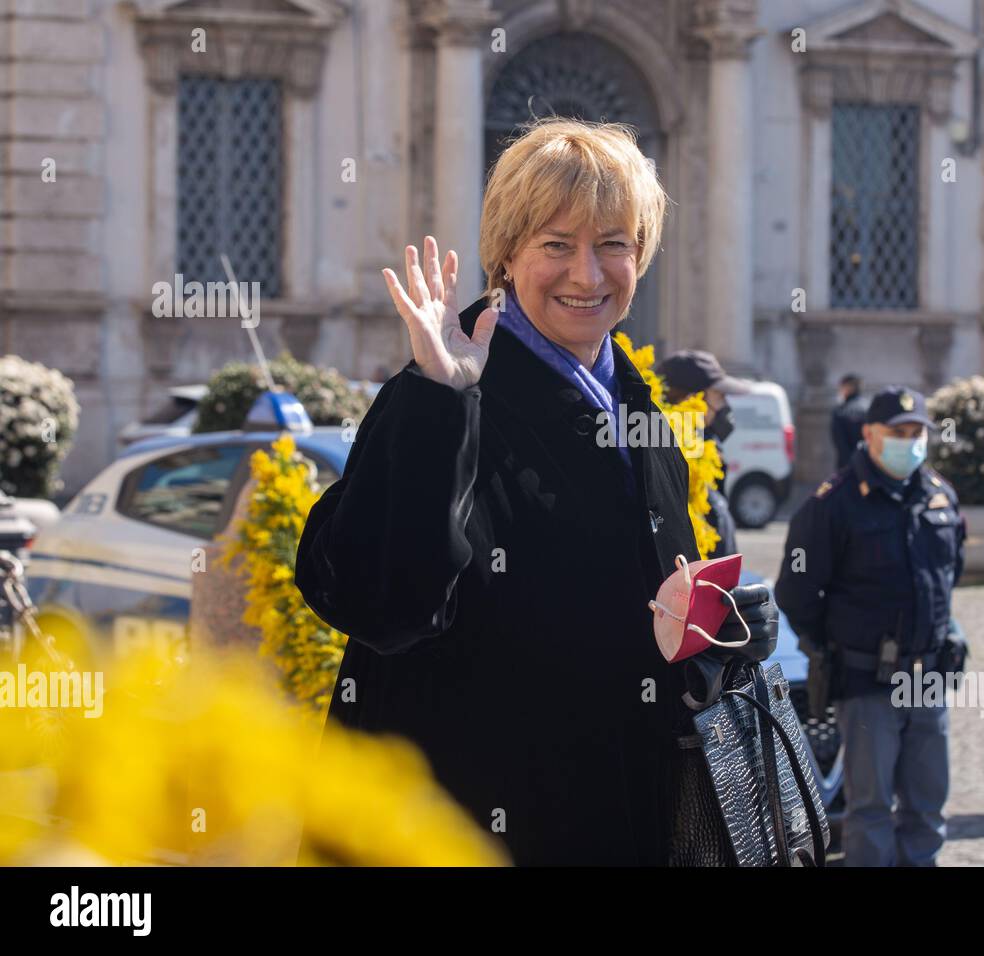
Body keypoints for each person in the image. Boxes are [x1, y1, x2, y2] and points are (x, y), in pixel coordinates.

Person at [294, 118, 777, 866]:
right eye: (557, 244)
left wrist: (722, 636)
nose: (587, 275)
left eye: (612, 244)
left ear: (639, 256)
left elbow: (634, 616)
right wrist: (438, 402)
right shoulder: (445, 388)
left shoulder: (637, 403)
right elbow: (378, 603)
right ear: (508, 254)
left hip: (616, 816)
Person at [775, 386, 965, 866]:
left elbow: (949, 576)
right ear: (868, 434)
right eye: (898, 432)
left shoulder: (940, 496)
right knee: (871, 811)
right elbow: (796, 595)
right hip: (865, 682)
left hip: (927, 679)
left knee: (927, 806)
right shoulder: (832, 504)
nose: (910, 441)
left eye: (917, 432)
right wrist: (834, 646)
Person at [655, 350, 750, 557]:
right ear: (694, 399)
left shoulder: (705, 448)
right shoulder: (669, 459)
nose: (725, 406)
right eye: (720, 396)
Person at [830, 373, 869, 470]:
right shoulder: (869, 408)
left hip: (846, 466)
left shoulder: (840, 410)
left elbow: (839, 442)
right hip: (867, 464)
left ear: (847, 387)